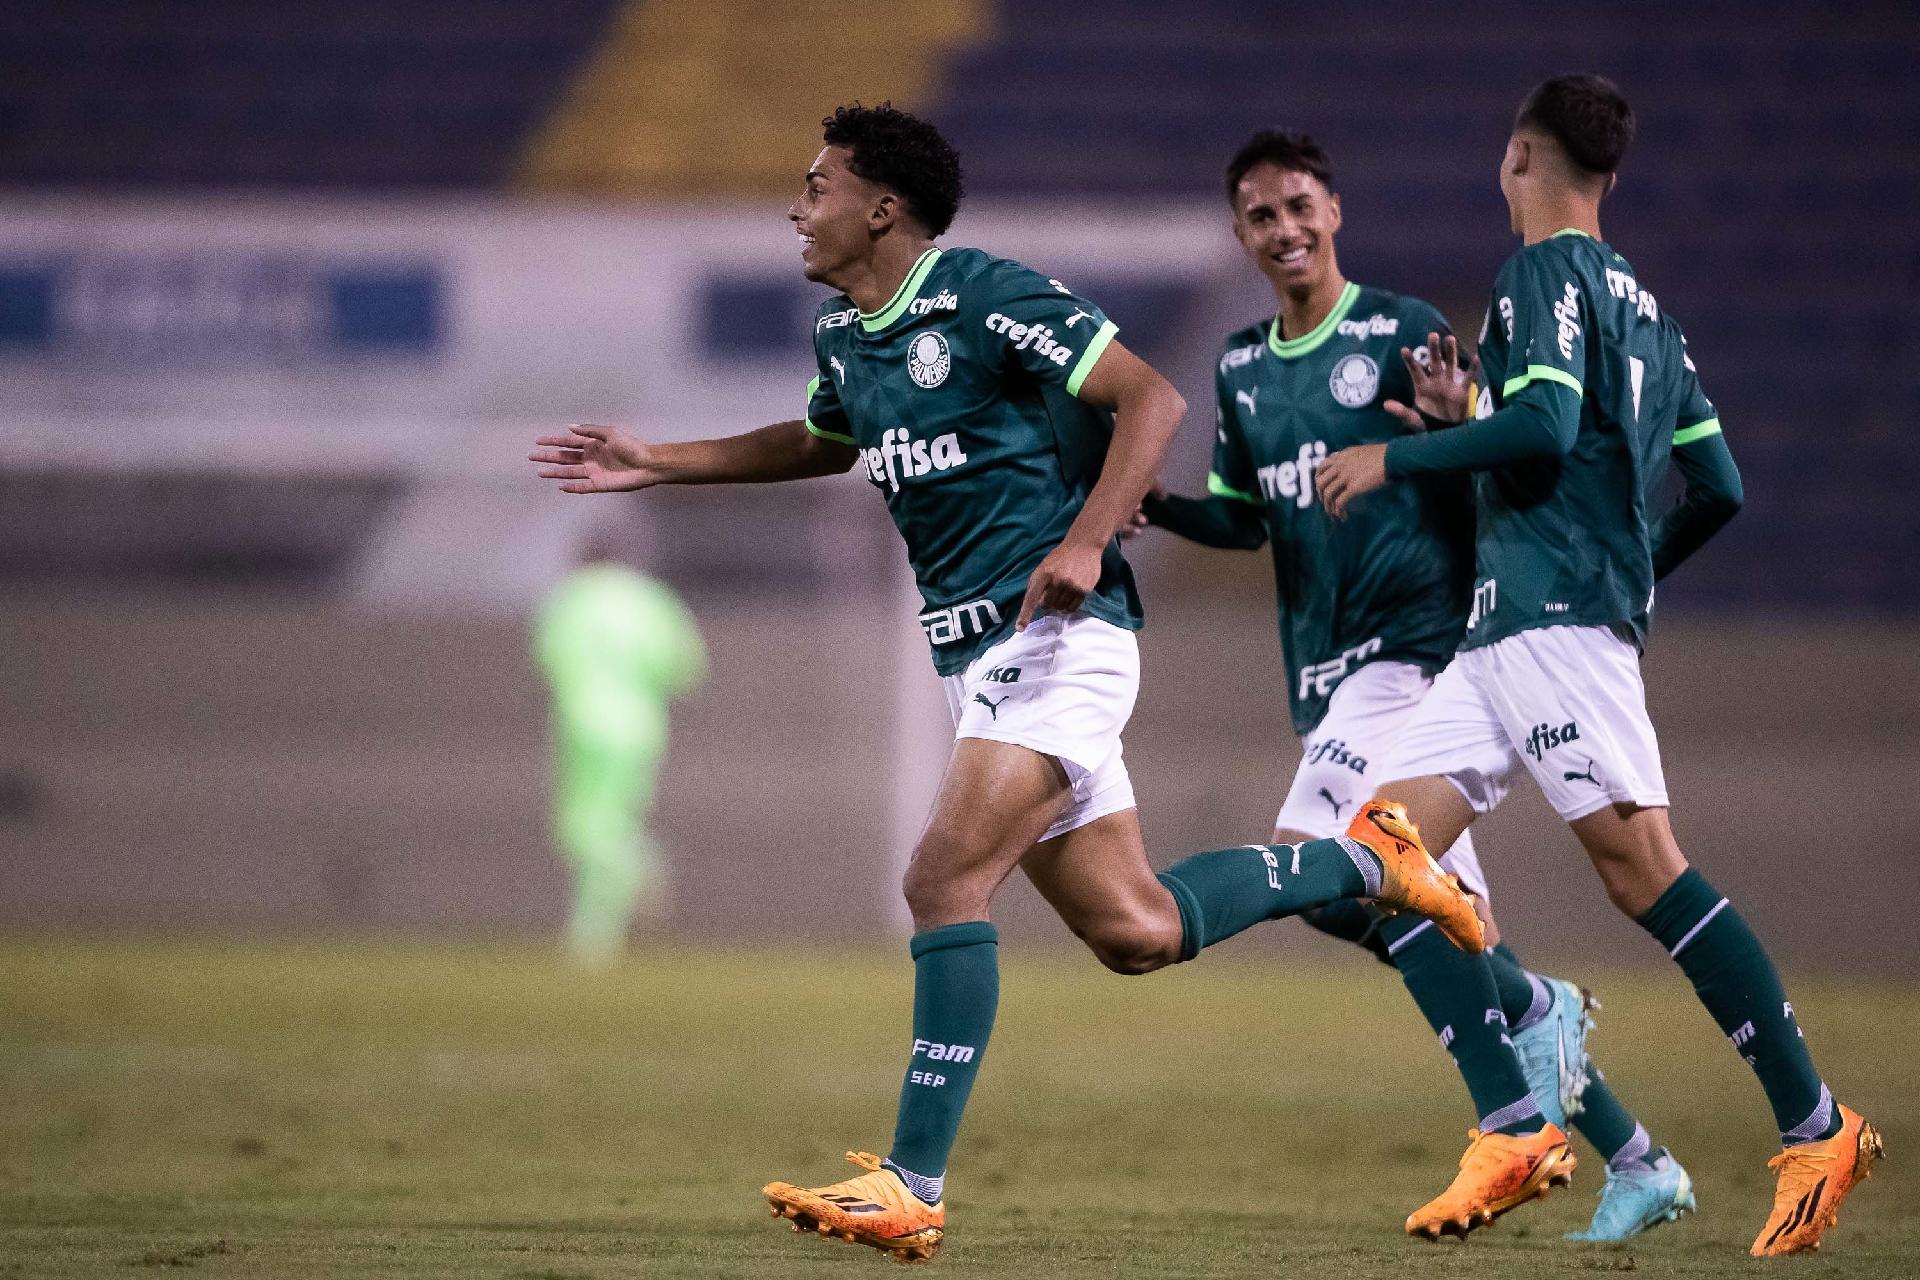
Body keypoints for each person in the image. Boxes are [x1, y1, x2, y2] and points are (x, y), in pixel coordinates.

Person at [529, 102, 1480, 1264]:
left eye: (816, 184)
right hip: (971, 662)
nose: (798, 204)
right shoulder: (849, 337)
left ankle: (912, 1181)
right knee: (1134, 927)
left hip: (1062, 637)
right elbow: (825, 440)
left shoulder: (980, 291)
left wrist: (1084, 539)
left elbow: (1153, 399)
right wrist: (657, 459)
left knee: (939, 878)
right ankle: (1371, 860)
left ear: (880, 208)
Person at [1315, 74, 1881, 1256]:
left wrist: (1394, 458)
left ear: (1520, 152)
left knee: (1645, 875)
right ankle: (1538, 1040)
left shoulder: (1538, 275)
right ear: (1610, 173)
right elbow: (1716, 482)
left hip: (1554, 619)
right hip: (1510, 624)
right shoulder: (1652, 312)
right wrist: (1637, 570)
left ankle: (1818, 1124)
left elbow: (1546, 429)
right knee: (1383, 844)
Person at [1142, 128, 1691, 1243]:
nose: (1285, 228)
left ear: (1335, 209)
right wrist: (1142, 506)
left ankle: (1509, 1114)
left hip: (1420, 653)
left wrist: (1450, 426)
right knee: (1426, 911)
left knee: (1333, 846)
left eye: (1300, 204)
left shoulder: (1405, 333)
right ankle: (1636, 1153)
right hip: (1327, 672)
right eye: (1261, 215)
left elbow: (1507, 471)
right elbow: (1244, 522)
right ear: (1242, 234)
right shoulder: (1243, 367)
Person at [535, 533, 706, 965]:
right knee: (612, 822)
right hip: (639, 727)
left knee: (582, 827)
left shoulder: (569, 597)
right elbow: (686, 668)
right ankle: (593, 937)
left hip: (580, 721)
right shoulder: (649, 599)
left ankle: (638, 866)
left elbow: (547, 658)